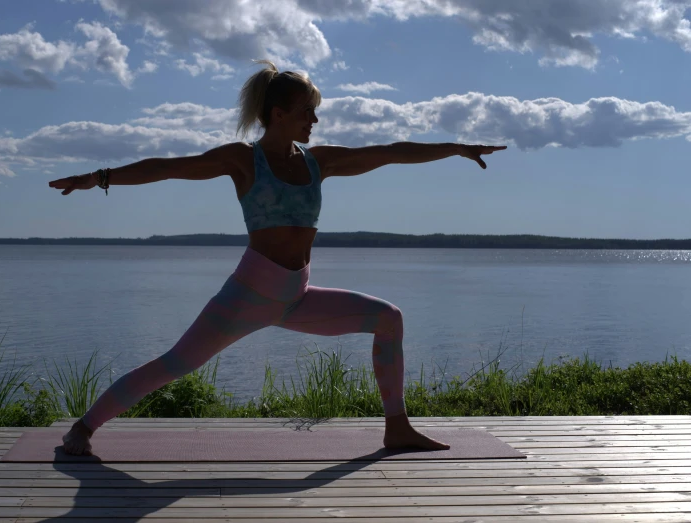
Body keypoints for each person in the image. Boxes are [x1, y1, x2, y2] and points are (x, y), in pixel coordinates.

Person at [49, 59, 506, 456]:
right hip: (247, 295)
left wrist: (456, 148)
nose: (316, 120)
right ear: (279, 113)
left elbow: (388, 153)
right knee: (175, 364)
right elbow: (169, 167)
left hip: (297, 295)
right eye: (309, 112)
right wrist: (99, 177)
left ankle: (397, 429)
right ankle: (84, 427)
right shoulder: (243, 160)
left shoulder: (317, 161)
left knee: (389, 318)